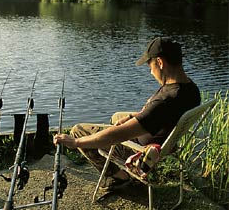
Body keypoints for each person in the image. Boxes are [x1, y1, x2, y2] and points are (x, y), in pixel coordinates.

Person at [54, 37, 201, 190]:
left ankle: (119, 177)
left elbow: (116, 135)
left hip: (138, 147)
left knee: (78, 131)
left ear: (160, 63)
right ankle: (118, 167)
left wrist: (75, 143)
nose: (151, 72)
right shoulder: (190, 89)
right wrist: (133, 117)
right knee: (117, 116)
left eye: (150, 66)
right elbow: (157, 115)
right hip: (162, 138)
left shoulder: (165, 101)